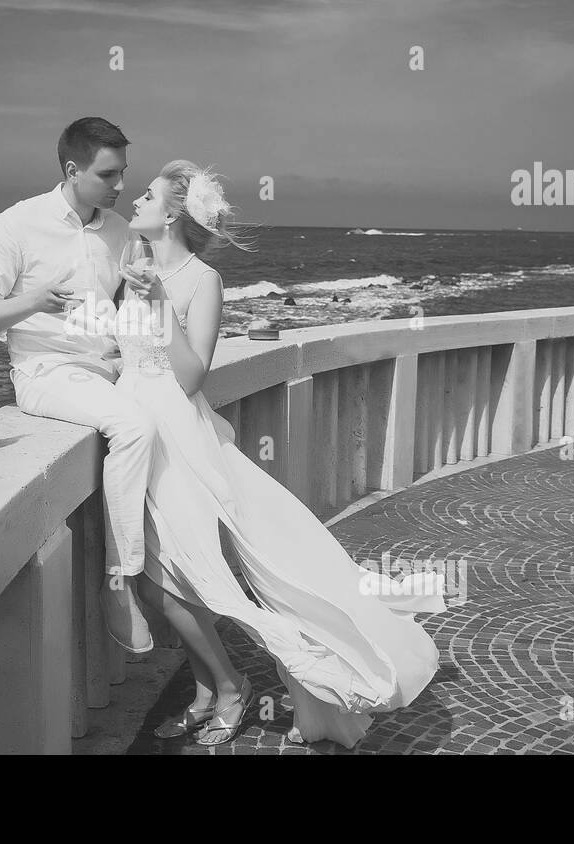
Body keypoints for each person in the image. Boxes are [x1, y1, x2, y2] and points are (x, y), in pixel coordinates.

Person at [106, 160, 448, 747]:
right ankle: (211, 690)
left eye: (147, 195)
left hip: (180, 440)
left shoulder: (200, 280)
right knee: (162, 581)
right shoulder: (131, 268)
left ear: (172, 216)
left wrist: (161, 303)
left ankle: (231, 688)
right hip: (135, 430)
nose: (134, 200)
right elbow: (120, 352)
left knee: (176, 581)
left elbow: (190, 377)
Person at [0, 116, 157, 652]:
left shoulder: (119, 231)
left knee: (180, 415)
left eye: (123, 173)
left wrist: (142, 290)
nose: (120, 186)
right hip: (46, 372)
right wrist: (34, 302)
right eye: (108, 174)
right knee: (134, 427)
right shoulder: (15, 225)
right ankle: (121, 581)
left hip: (110, 366)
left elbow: (123, 309)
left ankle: (178, 573)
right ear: (72, 170)